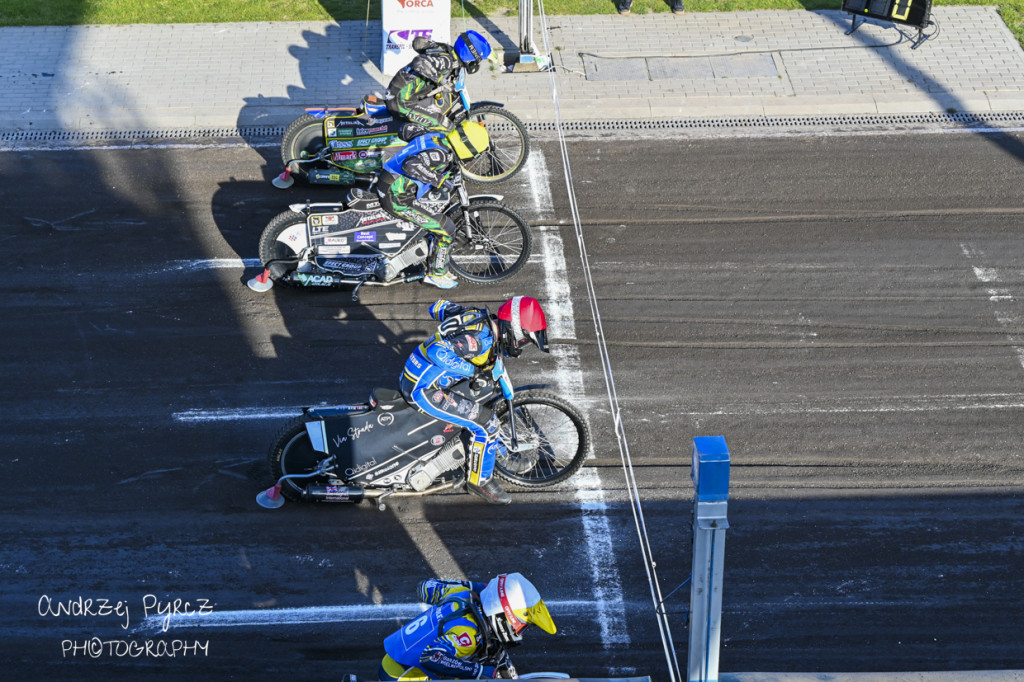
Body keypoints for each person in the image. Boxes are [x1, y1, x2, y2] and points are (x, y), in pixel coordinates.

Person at [400, 297, 549, 504]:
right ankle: (479, 482)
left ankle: (498, 454)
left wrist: (455, 318)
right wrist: (473, 371)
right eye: (523, 340)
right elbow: (437, 351)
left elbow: (436, 307)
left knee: (481, 402)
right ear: (512, 328)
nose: (521, 346)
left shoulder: (477, 315)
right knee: (488, 423)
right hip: (425, 390)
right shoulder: (480, 341)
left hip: (416, 372)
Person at [377, 120, 490, 289]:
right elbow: (410, 164)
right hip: (397, 199)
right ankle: (436, 274)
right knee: (446, 229)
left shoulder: (438, 137)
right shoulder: (442, 154)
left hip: (386, 181)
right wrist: (439, 180)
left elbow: (405, 130)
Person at [378, 573, 556, 680]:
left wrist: (474, 587)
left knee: (488, 653)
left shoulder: (461, 593)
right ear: (503, 615)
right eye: (521, 626)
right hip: (403, 677)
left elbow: (425, 587)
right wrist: (480, 672)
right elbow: (432, 656)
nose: (520, 632)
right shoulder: (468, 635)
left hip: (394, 661)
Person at [386, 31, 492, 131]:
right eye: (477, 60)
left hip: (396, 93)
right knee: (445, 126)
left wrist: (432, 44)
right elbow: (419, 63)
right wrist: (442, 81)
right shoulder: (449, 61)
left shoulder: (446, 49)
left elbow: (417, 43)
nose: (476, 64)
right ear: (471, 57)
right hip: (401, 102)